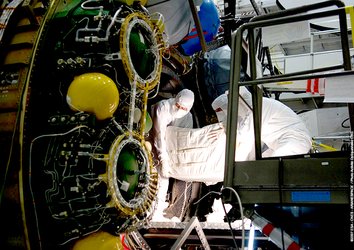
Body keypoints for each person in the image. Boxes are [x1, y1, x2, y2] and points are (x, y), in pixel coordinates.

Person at [211, 87, 312, 160]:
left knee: (271, 170)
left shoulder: (257, 108)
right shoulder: (252, 106)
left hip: (296, 141)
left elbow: (244, 137)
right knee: (260, 165)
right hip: (285, 142)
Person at [150, 88, 194, 220]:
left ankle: (155, 213)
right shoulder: (163, 107)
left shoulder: (188, 118)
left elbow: (184, 140)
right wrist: (163, 159)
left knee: (163, 180)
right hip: (151, 143)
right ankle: (146, 210)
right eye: (178, 106)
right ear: (175, 99)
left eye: (183, 108)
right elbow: (158, 135)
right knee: (151, 175)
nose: (179, 109)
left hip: (168, 151)